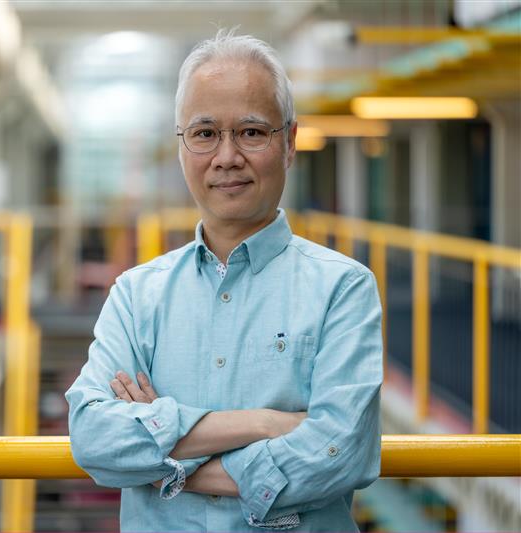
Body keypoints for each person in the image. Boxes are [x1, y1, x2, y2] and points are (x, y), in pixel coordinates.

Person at [66, 29, 382, 532]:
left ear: (290, 142)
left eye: (252, 132)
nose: (227, 156)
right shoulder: (135, 294)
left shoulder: (343, 290)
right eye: (205, 133)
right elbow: (94, 438)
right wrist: (264, 425)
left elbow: (340, 452)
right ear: (181, 144)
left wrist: (169, 462)